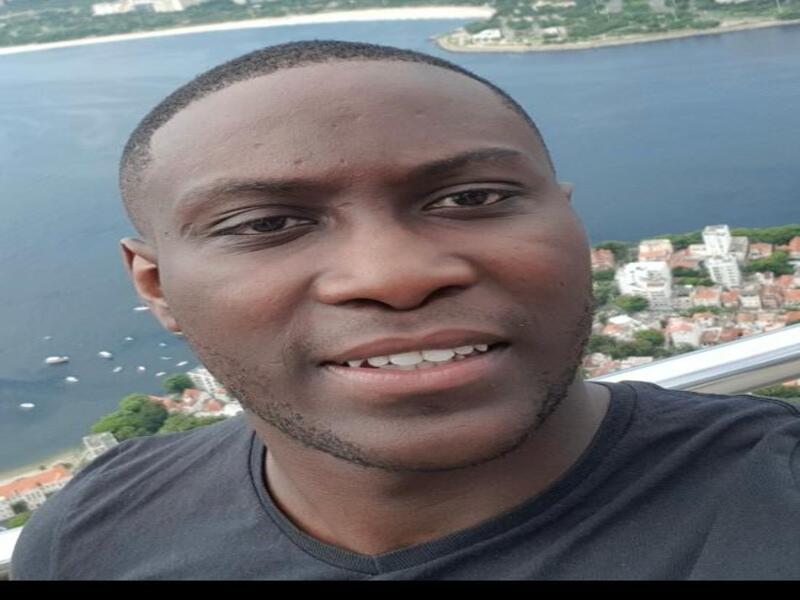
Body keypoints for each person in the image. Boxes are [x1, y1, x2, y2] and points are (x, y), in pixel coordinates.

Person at [11, 40, 800, 580]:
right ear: (156, 287)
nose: (394, 277)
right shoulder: (92, 529)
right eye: (267, 223)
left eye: (472, 198)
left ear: (572, 223)